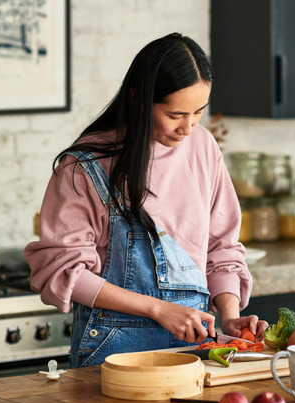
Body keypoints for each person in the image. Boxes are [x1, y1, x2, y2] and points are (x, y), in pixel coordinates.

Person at [24, 32, 268, 368]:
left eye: (198, 111)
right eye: (175, 114)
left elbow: (221, 246)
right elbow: (66, 271)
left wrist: (229, 316)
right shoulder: (85, 165)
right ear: (138, 99)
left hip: (196, 351)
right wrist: (158, 309)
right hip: (114, 354)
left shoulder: (202, 147)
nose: (189, 126)